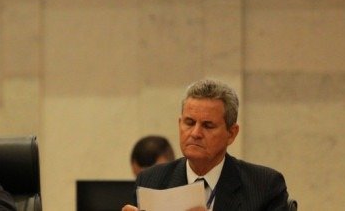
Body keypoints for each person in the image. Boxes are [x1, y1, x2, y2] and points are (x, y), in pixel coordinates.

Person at [122, 79, 290, 211]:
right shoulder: (151, 180)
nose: (195, 133)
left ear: (231, 133)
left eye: (208, 126)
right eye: (189, 122)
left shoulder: (264, 186)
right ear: (179, 123)